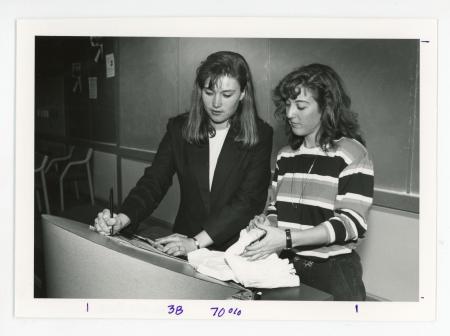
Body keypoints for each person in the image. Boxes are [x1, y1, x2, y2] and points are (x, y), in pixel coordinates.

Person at [94, 51, 273, 257]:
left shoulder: (261, 134)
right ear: (199, 90)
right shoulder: (179, 129)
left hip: (234, 249)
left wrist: (196, 242)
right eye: (208, 91)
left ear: (242, 93)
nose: (216, 103)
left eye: (226, 95)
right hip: (184, 242)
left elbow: (247, 201)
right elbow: (154, 181)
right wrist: (122, 219)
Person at [241, 64, 374, 301]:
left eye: (301, 106)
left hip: (334, 273)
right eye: (288, 105)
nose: (290, 113)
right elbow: (276, 209)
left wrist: (287, 238)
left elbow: (351, 223)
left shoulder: (351, 154)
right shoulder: (285, 155)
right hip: (287, 266)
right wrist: (266, 225)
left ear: (326, 107)